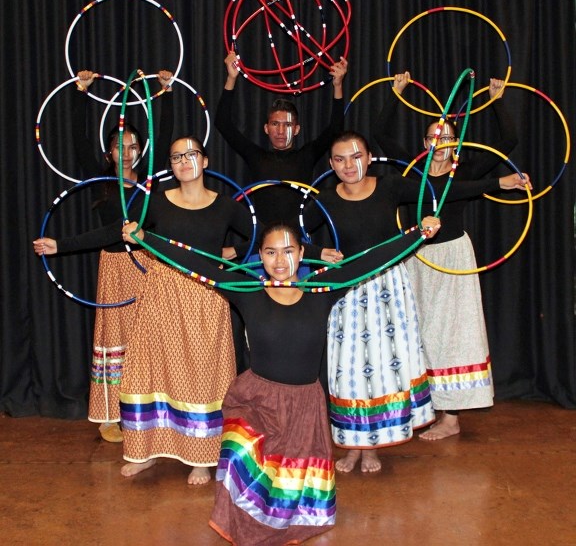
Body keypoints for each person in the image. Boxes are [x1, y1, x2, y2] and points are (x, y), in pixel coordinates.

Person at [122, 217, 441, 545]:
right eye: (270, 252)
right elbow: (195, 263)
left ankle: (288, 516)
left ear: (302, 253)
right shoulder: (247, 293)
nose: (279, 260)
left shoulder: (323, 290)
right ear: (260, 256)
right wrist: (146, 238)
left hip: (303, 406)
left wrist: (419, 234)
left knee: (290, 487)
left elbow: (372, 259)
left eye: (288, 251)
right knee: (244, 467)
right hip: (257, 402)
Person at [303, 130, 531, 472]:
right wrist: (318, 251)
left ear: (368, 158)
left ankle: (373, 448)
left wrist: (500, 183)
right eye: (340, 159)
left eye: (355, 156)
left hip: (389, 287)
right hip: (347, 290)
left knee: (381, 369)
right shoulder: (325, 199)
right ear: (331, 164)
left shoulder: (391, 185)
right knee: (347, 370)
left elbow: (445, 190)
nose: (349, 165)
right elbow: (294, 231)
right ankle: (351, 445)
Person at [35, 136, 255, 485]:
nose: (184, 161)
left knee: (200, 378)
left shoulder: (225, 206)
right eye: (176, 156)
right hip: (159, 297)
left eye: (191, 154)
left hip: (204, 300)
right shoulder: (157, 202)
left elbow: (258, 236)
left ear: (206, 160)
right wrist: (59, 245)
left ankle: (200, 457)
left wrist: (228, 254)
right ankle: (145, 451)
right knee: (144, 373)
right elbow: (116, 232)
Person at [372, 72, 520, 440]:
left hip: (453, 258)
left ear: (456, 142)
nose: (439, 143)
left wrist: (498, 100)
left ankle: (451, 417)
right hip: (416, 256)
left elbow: (510, 141)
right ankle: (421, 407)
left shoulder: (465, 170)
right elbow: (379, 135)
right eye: (433, 137)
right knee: (417, 331)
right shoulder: (414, 169)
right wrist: (397, 93)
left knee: (453, 331)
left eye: (447, 138)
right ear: (424, 142)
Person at [33, 69, 174, 443]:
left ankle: (150, 412)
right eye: (118, 147)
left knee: (149, 339)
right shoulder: (100, 180)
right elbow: (79, 141)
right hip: (114, 268)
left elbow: (166, 137)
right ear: (108, 152)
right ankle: (113, 414)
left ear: (141, 151)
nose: (125, 153)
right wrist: (81, 93)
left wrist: (167, 92)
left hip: (149, 267)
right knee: (116, 339)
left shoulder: (152, 182)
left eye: (132, 147)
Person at [215, 50, 348, 224]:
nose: (280, 131)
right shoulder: (256, 156)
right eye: (275, 124)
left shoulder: (307, 155)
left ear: (297, 129)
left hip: (297, 241)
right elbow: (222, 122)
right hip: (263, 240)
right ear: (266, 128)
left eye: (287, 125)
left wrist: (337, 85)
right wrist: (231, 78)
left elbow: (335, 129)